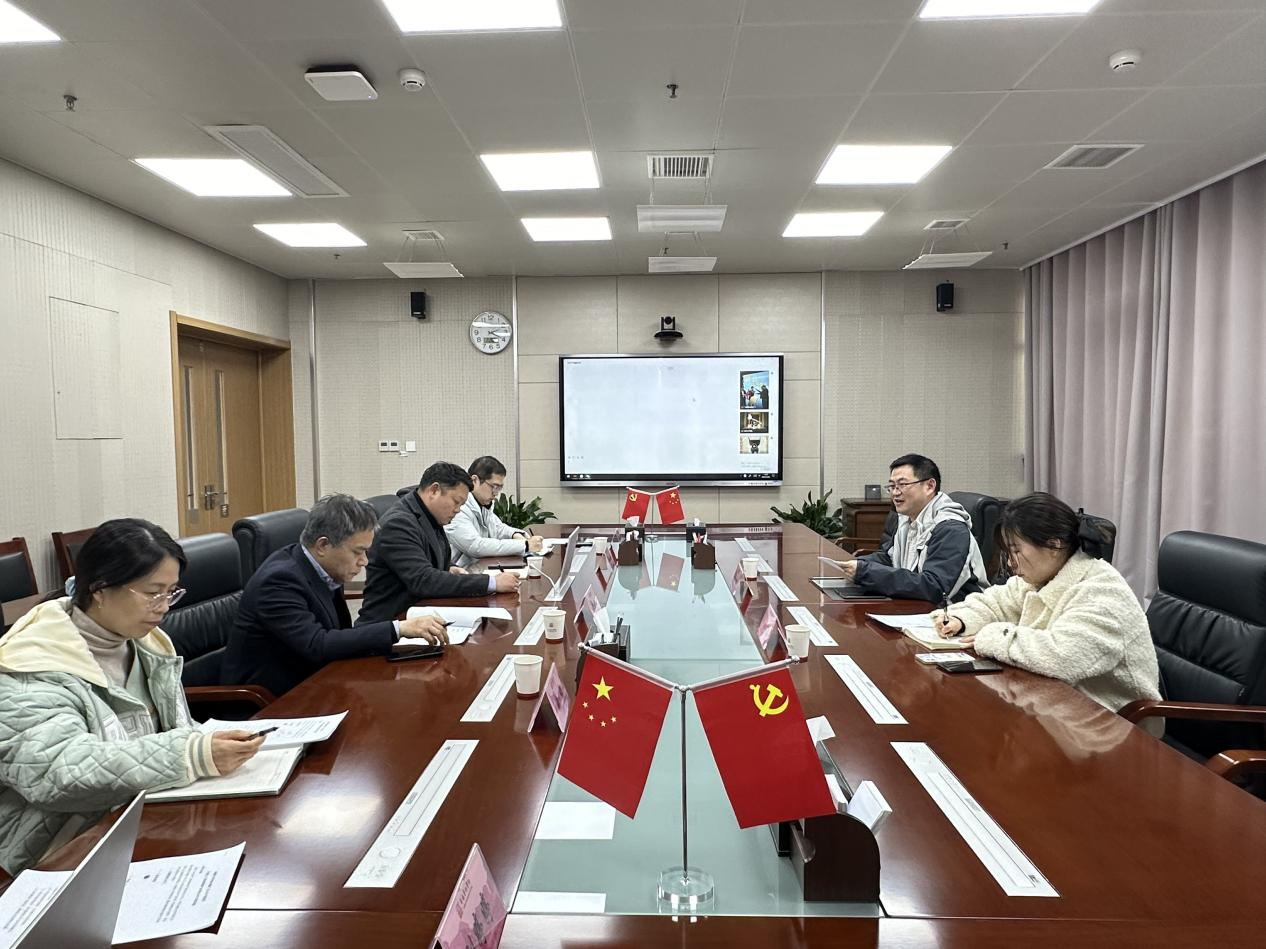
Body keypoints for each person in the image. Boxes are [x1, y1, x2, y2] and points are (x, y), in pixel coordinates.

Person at [0, 519, 263, 875]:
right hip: (62, 846)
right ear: (100, 589)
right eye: (153, 592)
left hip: (146, 813)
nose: (164, 606)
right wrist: (190, 754)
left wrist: (209, 744)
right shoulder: (29, 665)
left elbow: (174, 727)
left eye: (171, 592)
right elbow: (60, 770)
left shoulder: (146, 643)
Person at [934, 493, 1162, 735]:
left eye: (1016, 551)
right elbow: (998, 601)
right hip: (1061, 710)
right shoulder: (1043, 575)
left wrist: (993, 637)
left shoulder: (1102, 592)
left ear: (1054, 545)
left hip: (1115, 727)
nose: (1010, 563)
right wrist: (962, 619)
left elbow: (1062, 656)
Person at [224, 495, 449, 697]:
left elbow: (338, 633)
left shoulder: (323, 568)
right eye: (358, 552)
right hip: (270, 700)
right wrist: (398, 629)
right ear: (323, 545)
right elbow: (317, 644)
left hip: (318, 680)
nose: (364, 561)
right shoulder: (279, 581)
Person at [358, 462, 520, 625]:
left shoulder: (427, 514)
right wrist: (492, 583)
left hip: (423, 614)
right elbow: (424, 580)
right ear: (434, 490)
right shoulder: (398, 524)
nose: (458, 510)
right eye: (456, 502)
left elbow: (425, 557)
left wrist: (448, 567)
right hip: (391, 623)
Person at [834, 454, 986, 601]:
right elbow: (890, 559)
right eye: (892, 486)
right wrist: (859, 565)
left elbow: (935, 587)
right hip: (917, 603)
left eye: (902, 485)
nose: (895, 492)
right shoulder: (906, 518)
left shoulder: (950, 528)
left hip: (956, 610)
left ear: (929, 486)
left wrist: (866, 573)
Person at [446, 456, 544, 568]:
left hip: (478, 568)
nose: (496, 493)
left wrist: (515, 535)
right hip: (459, 573)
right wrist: (525, 545)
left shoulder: (483, 505)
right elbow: (475, 546)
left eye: (499, 488)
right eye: (494, 487)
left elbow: (498, 528)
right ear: (474, 480)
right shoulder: (459, 508)